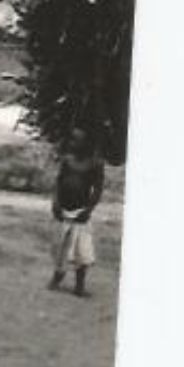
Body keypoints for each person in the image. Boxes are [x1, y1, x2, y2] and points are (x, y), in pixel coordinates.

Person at [50, 126, 105, 298]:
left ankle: (79, 285)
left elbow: (97, 190)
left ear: (86, 143)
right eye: (72, 139)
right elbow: (58, 183)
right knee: (59, 246)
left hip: (81, 211)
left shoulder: (95, 164)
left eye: (77, 140)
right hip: (63, 209)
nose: (73, 143)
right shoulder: (67, 160)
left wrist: (88, 210)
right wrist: (56, 203)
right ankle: (57, 276)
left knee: (82, 250)